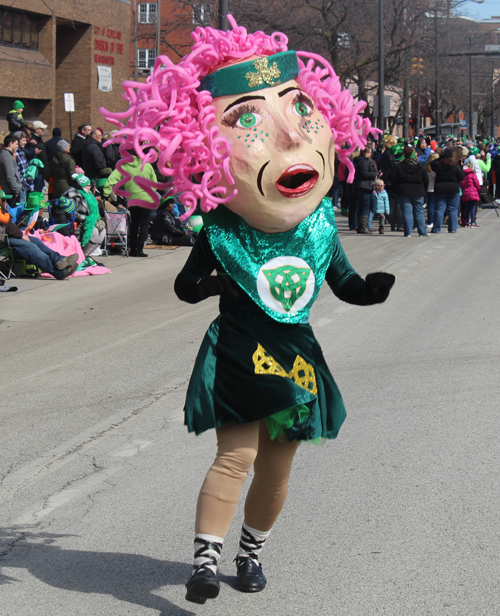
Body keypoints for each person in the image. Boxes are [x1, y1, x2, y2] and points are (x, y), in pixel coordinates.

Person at [102, 17, 396, 606]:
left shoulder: (316, 227)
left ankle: (251, 551)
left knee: (278, 467)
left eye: (298, 108)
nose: (290, 135)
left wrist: (370, 289)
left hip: (296, 359)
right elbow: (187, 288)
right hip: (239, 351)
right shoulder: (222, 230)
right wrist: (217, 285)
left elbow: (340, 281)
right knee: (234, 455)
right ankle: (206, 560)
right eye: (248, 120)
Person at [0, 189, 79, 279]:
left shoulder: (3, 212)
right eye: (3, 200)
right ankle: (59, 272)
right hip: (3, 240)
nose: (6, 203)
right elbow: (9, 227)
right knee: (30, 247)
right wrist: (22, 236)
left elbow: (10, 226)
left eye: (5, 200)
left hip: (7, 237)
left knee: (36, 241)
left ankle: (59, 260)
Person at [103, 151, 158, 257]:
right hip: (147, 198)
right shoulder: (146, 164)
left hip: (133, 199)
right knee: (144, 224)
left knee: (134, 224)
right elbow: (154, 182)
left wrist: (106, 192)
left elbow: (112, 178)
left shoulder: (124, 166)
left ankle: (132, 249)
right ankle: (140, 249)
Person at [389, 144, 429, 237]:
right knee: (419, 211)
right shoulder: (420, 167)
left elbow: (392, 178)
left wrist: (396, 188)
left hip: (403, 191)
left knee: (407, 212)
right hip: (418, 191)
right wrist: (424, 190)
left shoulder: (399, 166)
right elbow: (426, 179)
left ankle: (408, 232)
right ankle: (422, 231)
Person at [430, 148, 465, 233]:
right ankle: (453, 228)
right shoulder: (455, 166)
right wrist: (461, 166)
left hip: (440, 189)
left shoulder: (438, 165)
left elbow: (432, 163)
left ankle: (437, 228)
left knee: (440, 209)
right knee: (453, 209)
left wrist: (441, 157)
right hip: (453, 189)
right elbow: (461, 177)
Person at [353, 146, 377, 234]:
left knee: (362, 206)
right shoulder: (364, 161)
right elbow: (365, 173)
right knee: (366, 206)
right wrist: (375, 174)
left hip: (362, 185)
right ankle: (363, 227)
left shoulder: (361, 160)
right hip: (364, 186)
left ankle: (360, 226)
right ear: (366, 152)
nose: (371, 154)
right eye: (370, 152)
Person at [0, 135, 22, 207]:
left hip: (9, 190)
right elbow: (10, 176)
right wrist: (16, 190)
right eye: (16, 144)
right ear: (10, 143)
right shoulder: (7, 157)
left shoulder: (6, 155)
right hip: (9, 192)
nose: (17, 146)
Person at [28, 120, 48, 192]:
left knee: (39, 191)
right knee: (35, 191)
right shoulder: (33, 140)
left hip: (41, 170)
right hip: (37, 170)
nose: (43, 131)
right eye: (42, 129)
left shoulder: (40, 140)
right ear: (36, 130)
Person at [460, 161, 481, 228]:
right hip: (473, 192)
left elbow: (462, 185)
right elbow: (477, 184)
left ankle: (466, 221)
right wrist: (478, 189)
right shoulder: (473, 174)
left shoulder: (463, 175)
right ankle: (473, 222)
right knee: (473, 207)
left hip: (466, 193)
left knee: (467, 208)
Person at [425, 152, 439, 231]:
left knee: (430, 205)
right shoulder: (436, 169)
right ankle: (432, 221)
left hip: (428, 188)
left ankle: (429, 221)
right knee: (434, 205)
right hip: (435, 188)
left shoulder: (426, 168)